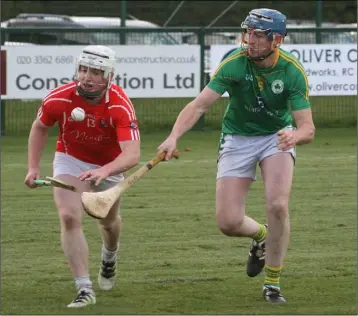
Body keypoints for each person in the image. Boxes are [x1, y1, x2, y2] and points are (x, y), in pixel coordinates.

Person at [157, 8, 315, 303]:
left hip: (276, 137)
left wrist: (294, 135)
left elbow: (308, 129)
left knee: (278, 204)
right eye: (248, 33)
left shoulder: (292, 71)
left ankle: (273, 282)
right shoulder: (234, 63)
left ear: (276, 40)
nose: (250, 40)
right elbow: (199, 106)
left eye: (258, 35)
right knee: (228, 222)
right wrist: (173, 136)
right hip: (237, 137)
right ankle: (261, 236)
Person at [24, 45, 141, 308]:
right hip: (70, 159)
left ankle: (110, 257)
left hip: (109, 166)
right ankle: (84, 288)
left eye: (96, 72)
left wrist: (104, 171)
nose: (87, 76)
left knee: (108, 222)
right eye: (84, 69)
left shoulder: (119, 105)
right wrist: (32, 167)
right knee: (68, 215)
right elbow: (40, 127)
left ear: (109, 76)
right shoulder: (59, 97)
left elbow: (132, 155)